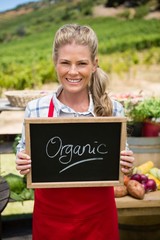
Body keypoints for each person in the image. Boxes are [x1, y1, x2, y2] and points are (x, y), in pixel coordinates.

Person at [16, 23, 135, 240]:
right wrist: (22, 162)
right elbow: (24, 157)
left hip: (99, 220)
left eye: (81, 63)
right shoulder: (36, 109)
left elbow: (121, 165)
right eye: (65, 63)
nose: (73, 71)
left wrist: (126, 163)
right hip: (51, 220)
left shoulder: (112, 110)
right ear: (55, 63)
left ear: (94, 65)